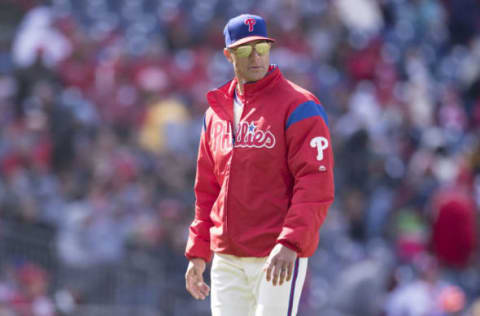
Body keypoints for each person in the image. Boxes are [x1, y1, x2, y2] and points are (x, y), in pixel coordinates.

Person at [185, 13, 334, 316]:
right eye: (244, 50)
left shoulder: (300, 105)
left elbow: (315, 184)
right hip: (226, 256)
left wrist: (291, 242)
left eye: (262, 48)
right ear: (228, 55)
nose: (255, 57)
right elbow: (207, 189)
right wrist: (198, 252)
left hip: (275, 253)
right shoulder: (215, 112)